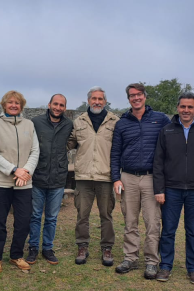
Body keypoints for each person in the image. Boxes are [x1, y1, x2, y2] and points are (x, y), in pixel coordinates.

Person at [111, 84, 194, 279]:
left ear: (145, 96)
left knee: (153, 222)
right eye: (132, 95)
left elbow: (182, 126)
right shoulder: (122, 123)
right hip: (128, 177)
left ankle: (152, 261)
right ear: (128, 99)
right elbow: (115, 152)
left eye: (139, 94)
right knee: (130, 221)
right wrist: (116, 177)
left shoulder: (160, 120)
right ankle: (130, 257)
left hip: (152, 178)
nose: (136, 98)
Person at [153, 92, 194, 285]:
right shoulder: (167, 131)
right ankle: (165, 266)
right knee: (168, 230)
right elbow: (158, 162)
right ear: (177, 108)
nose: (186, 110)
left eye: (190, 107)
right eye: (183, 106)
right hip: (171, 189)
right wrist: (159, 189)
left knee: (193, 232)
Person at [0, 90, 39, 273]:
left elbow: (35, 151)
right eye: (10, 102)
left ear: (21, 106)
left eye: (17, 103)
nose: (14, 105)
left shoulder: (29, 125)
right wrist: (14, 170)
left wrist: (26, 172)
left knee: (24, 221)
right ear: (4, 105)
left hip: (24, 183)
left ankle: (16, 255)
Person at [67, 86, 119, 266]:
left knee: (106, 215)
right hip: (83, 177)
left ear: (105, 101)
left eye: (100, 99)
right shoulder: (79, 122)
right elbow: (69, 143)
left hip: (105, 176)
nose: (97, 102)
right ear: (88, 100)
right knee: (82, 215)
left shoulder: (114, 121)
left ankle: (107, 248)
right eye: (94, 98)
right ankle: (82, 246)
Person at [27, 94, 73, 265]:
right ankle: (32, 247)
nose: (58, 107)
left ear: (65, 108)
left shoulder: (69, 124)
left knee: (52, 217)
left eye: (61, 105)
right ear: (49, 104)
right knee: (35, 215)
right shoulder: (36, 122)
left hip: (58, 178)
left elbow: (73, 142)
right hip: (38, 175)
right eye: (55, 104)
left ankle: (47, 247)